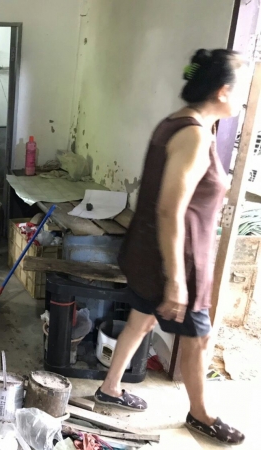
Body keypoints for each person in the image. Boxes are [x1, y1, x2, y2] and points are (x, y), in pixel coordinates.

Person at [94, 49, 247, 446]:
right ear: (222, 91)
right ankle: (201, 415)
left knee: (141, 319)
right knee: (198, 339)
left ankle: (110, 388)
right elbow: (169, 209)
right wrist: (177, 280)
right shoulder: (194, 135)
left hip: (149, 253)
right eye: (241, 89)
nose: (244, 97)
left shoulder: (175, 122)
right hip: (175, 260)